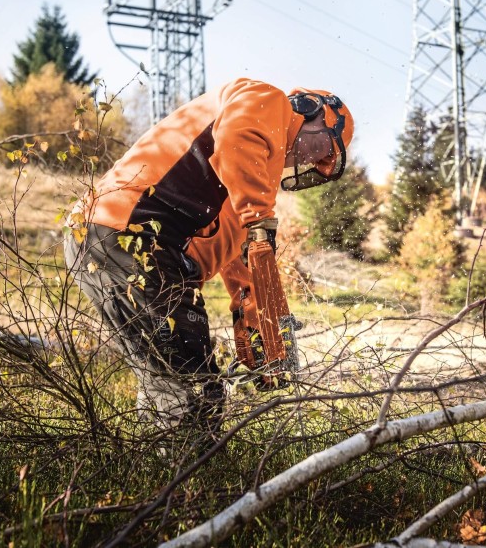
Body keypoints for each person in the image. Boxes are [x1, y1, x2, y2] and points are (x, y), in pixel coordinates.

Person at [64, 77, 355, 431]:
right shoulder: (265, 99)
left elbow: (238, 252)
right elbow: (237, 139)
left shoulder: (235, 181)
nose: (310, 158)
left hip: (108, 240)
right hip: (127, 233)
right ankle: (191, 480)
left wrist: (260, 325)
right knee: (194, 387)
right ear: (312, 111)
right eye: (321, 146)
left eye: (323, 161)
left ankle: (151, 472)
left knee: (167, 377)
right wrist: (260, 218)